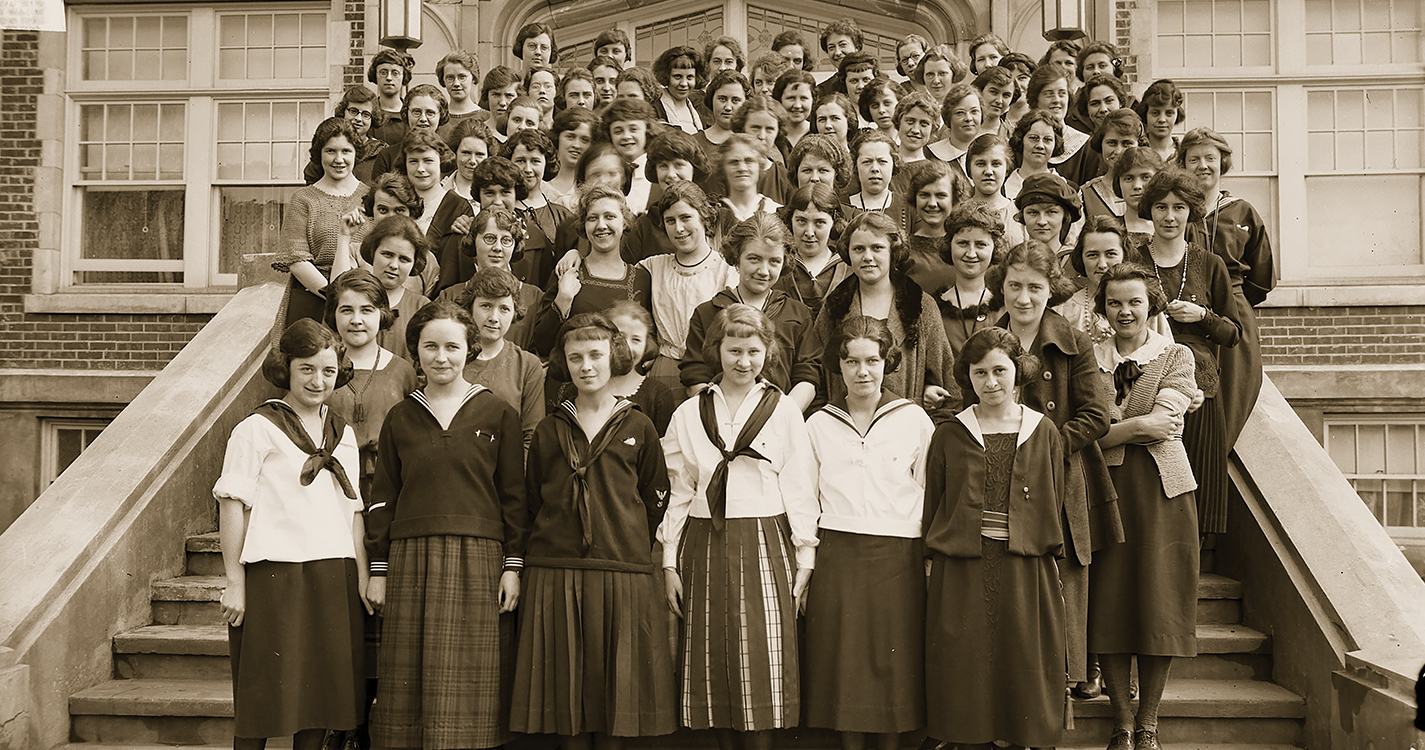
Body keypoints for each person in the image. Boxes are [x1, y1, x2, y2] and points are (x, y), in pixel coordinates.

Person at [366, 300, 527, 750]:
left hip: (479, 559)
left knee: (471, 673)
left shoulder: (498, 414)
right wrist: (378, 570)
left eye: (452, 347)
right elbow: (383, 498)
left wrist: (512, 566)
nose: (442, 357)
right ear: (415, 351)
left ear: (469, 350)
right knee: (410, 676)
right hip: (410, 559)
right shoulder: (401, 416)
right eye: (430, 346)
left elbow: (514, 497)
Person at [511, 313, 678, 746]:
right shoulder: (550, 428)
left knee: (614, 698)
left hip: (619, 570)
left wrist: (621, 534)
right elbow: (533, 499)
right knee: (567, 699)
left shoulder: (638, 426)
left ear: (614, 358)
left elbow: (654, 494)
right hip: (555, 569)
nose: (586, 365)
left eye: (596, 355)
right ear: (564, 364)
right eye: (575, 357)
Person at [659, 303, 820, 750]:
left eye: (752, 351)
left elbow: (801, 487)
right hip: (703, 539)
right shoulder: (690, 414)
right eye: (734, 350)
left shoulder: (783, 410)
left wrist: (805, 556)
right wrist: (669, 561)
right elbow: (679, 490)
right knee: (710, 656)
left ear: (767, 352)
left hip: (765, 540)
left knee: (762, 657)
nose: (743, 361)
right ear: (718, 351)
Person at [215, 318, 369, 750]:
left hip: (333, 572)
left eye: (328, 371)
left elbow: (353, 511)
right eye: (307, 368)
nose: (318, 380)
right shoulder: (257, 428)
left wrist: (359, 575)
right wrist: (234, 582)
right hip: (275, 572)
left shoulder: (344, 434)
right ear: (287, 367)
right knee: (263, 691)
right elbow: (232, 503)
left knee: (321, 695)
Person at [987, 239, 1120, 703]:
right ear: (1001, 287)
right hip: (998, 474)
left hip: (1058, 475)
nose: (1023, 298)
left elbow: (1096, 415)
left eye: (1034, 288)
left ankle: (1070, 671)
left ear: (1051, 290)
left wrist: (1046, 447)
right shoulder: (986, 340)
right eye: (1014, 286)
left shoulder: (1073, 341)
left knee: (1064, 571)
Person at [922, 326, 1066, 750]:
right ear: (967, 377)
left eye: (1000, 371)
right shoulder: (950, 432)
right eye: (980, 373)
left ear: (1017, 372)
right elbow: (935, 501)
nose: (991, 382)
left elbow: (1053, 500)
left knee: (1021, 656)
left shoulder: (1043, 433)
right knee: (964, 657)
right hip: (963, 564)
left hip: (1024, 564)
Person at [803, 316, 934, 750]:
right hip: (838, 552)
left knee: (892, 661)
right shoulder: (818, 423)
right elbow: (805, 496)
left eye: (872, 361)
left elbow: (929, 487)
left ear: (887, 363)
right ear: (837, 366)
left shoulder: (912, 418)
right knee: (846, 662)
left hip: (898, 555)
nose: (863, 372)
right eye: (852, 361)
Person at [1089, 262, 1201, 750]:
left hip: (1163, 493)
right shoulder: (1086, 359)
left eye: (1134, 301)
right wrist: (1132, 427)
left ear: (1151, 304)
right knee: (1109, 602)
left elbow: (1165, 421)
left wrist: (1112, 428)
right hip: (1103, 492)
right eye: (1114, 302)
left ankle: (1149, 724)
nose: (1125, 311)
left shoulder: (1178, 355)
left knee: (1160, 605)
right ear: (1102, 308)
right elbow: (1088, 431)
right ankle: (1121, 723)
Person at [1138, 167, 1241, 537]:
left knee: (1195, 485)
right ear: (1149, 210)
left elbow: (1233, 334)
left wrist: (1203, 315)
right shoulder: (1134, 260)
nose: (1169, 216)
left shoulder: (1209, 264)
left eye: (1179, 207)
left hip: (1200, 388)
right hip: (1144, 383)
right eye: (1161, 207)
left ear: (1191, 212)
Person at [1178, 127, 1275, 449]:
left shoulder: (1241, 211)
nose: (1203, 165)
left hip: (1233, 311)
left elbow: (1262, 276)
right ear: (1183, 164)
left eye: (1210, 158)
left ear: (1223, 163)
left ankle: (1220, 454)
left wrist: (1230, 302)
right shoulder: (1175, 212)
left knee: (1235, 390)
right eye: (1194, 159)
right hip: (1184, 313)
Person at [812, 212, 957, 412]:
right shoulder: (834, 307)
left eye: (877, 248)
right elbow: (816, 374)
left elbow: (946, 382)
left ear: (893, 251)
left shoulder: (921, 306)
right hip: (847, 425)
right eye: (859, 249)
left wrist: (928, 391)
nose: (868, 257)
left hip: (906, 426)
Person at [681, 213, 820, 410]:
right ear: (736, 258)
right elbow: (695, 374)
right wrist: (720, 416)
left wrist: (782, 417)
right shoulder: (707, 313)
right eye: (754, 259)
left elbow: (808, 375)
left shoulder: (798, 314)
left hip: (780, 423)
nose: (764, 270)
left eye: (774, 261)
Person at [324, 269, 419, 502]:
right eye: (346, 310)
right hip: (330, 484)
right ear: (333, 314)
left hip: (388, 486)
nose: (356, 320)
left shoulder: (402, 372)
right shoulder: (321, 370)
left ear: (382, 314)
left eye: (366, 310)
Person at [637, 181, 737, 397]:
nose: (679, 228)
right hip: (665, 370)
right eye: (670, 221)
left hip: (712, 371)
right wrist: (576, 256)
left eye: (686, 218)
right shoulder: (653, 267)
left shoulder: (726, 270)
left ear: (704, 217)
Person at [532, 185, 652, 357]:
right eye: (592, 218)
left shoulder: (642, 278)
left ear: (624, 221)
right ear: (584, 225)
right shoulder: (567, 271)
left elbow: (648, 340)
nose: (601, 225)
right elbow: (542, 343)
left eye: (610, 216)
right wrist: (563, 299)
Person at [276, 118, 370, 327]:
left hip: (367, 302)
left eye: (346, 151)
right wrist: (335, 298)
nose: (339, 159)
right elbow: (297, 260)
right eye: (331, 151)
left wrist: (361, 299)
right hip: (316, 300)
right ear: (319, 154)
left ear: (356, 153)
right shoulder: (304, 199)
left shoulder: (371, 197)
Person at [1055, 215, 1172, 345]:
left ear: (1124, 254)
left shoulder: (1145, 306)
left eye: (1110, 254)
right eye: (1092, 255)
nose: (1102, 264)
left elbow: (1169, 356)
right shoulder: (1065, 310)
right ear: (1081, 257)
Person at [936, 205, 1006, 354]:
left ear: (994, 248)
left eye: (981, 244)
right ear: (950, 246)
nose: (971, 253)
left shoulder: (1005, 306)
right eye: (963, 243)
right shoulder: (934, 309)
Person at [777, 183, 853, 317]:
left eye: (819, 222)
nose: (809, 232)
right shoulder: (777, 266)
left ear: (834, 222)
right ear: (791, 220)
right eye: (801, 221)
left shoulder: (849, 269)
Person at [902, 160, 963, 297]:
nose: (932, 203)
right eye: (924, 195)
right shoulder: (903, 251)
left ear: (954, 198)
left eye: (941, 195)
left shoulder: (966, 246)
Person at [303, 85, 387, 185]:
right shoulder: (328, 144)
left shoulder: (381, 152)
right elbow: (312, 178)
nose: (359, 119)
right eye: (353, 111)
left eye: (366, 114)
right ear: (343, 112)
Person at [1080, 109, 1146, 221]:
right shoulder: (1086, 194)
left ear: (1139, 145)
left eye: (1127, 143)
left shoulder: (1149, 189)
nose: (1118, 151)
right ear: (1101, 144)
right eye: (1111, 143)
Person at [962, 134, 1025, 248]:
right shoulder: (958, 213)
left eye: (996, 164)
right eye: (980, 164)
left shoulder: (1019, 214)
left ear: (1007, 169)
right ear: (970, 170)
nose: (988, 171)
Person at [1025, 65, 1089, 164]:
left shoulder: (1085, 146)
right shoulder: (1022, 142)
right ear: (1035, 100)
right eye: (1049, 94)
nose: (1056, 100)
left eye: (1062, 93)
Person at [1005, 109, 1064, 201]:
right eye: (1033, 138)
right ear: (1021, 140)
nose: (1040, 145)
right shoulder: (1002, 189)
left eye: (1047, 139)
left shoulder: (1067, 189)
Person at [846, 130, 903, 220]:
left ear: (894, 164)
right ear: (855, 166)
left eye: (882, 161)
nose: (875, 168)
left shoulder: (909, 207)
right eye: (867, 162)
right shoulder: (843, 207)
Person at [653, 46, 711, 135]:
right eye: (677, 76)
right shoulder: (655, 108)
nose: (684, 83)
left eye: (689, 77)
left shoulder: (698, 110)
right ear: (666, 76)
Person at [435, 51, 488, 141]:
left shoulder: (486, 117)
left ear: (473, 79)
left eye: (462, 77)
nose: (456, 83)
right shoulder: (437, 117)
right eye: (450, 77)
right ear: (443, 80)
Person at [698, 70, 750, 161]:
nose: (728, 107)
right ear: (712, 99)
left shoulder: (752, 143)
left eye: (735, 100)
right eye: (722, 99)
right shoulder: (694, 142)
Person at [1133, 80, 1186, 165]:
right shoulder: (1135, 151)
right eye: (1155, 113)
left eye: (1169, 113)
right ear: (1145, 113)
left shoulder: (1184, 154)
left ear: (1177, 114)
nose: (1162, 119)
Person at [927, 83, 982, 164]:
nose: (968, 118)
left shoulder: (992, 152)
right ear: (948, 117)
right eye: (960, 113)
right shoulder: (930, 155)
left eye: (974, 111)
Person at [368, 48, 414, 145]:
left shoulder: (412, 114)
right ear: (375, 75)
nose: (389, 78)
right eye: (383, 72)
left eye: (395, 73)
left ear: (403, 76)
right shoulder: (367, 114)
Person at [445, 119, 495, 202]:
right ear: (455, 152)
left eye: (479, 154)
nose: (472, 161)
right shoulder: (441, 189)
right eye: (466, 153)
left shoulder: (496, 195)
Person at [817, 19, 863, 97]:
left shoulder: (877, 83)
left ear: (857, 46)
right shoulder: (823, 91)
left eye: (843, 45)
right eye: (831, 48)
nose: (837, 52)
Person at [774, 69, 817, 150]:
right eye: (791, 98)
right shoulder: (771, 134)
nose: (797, 105)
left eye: (803, 98)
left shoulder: (818, 133)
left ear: (813, 100)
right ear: (780, 99)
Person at [894, 91, 940, 165]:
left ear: (932, 128)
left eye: (924, 123)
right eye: (910, 121)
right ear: (899, 122)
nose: (915, 130)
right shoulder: (882, 164)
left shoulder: (935, 172)